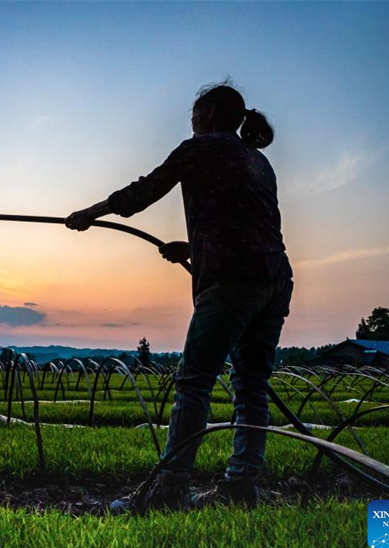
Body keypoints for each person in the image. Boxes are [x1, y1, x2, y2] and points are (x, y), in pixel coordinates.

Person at [66, 82, 294, 512]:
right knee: (252, 386)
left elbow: (142, 192)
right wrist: (190, 249)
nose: (190, 123)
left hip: (231, 283)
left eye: (193, 116)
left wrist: (88, 214)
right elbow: (250, 226)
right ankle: (242, 485)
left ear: (208, 116)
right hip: (275, 279)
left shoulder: (200, 149)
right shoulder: (258, 161)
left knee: (194, 382)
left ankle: (169, 488)